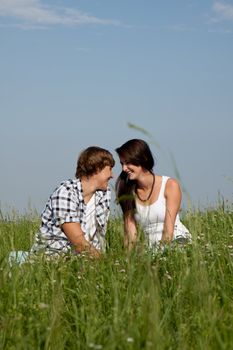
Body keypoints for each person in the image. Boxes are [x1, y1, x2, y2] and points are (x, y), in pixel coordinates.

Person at [31, 146, 115, 258]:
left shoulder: (104, 194)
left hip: (86, 261)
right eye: (109, 169)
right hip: (54, 259)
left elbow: (97, 239)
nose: (112, 175)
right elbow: (79, 242)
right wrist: (106, 263)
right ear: (97, 169)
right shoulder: (66, 192)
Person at [115, 139, 191, 251]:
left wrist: (160, 253)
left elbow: (168, 231)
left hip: (176, 242)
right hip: (151, 249)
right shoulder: (127, 192)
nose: (124, 169)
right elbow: (131, 236)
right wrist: (129, 262)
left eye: (127, 163)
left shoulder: (170, 185)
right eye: (122, 164)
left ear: (141, 159)